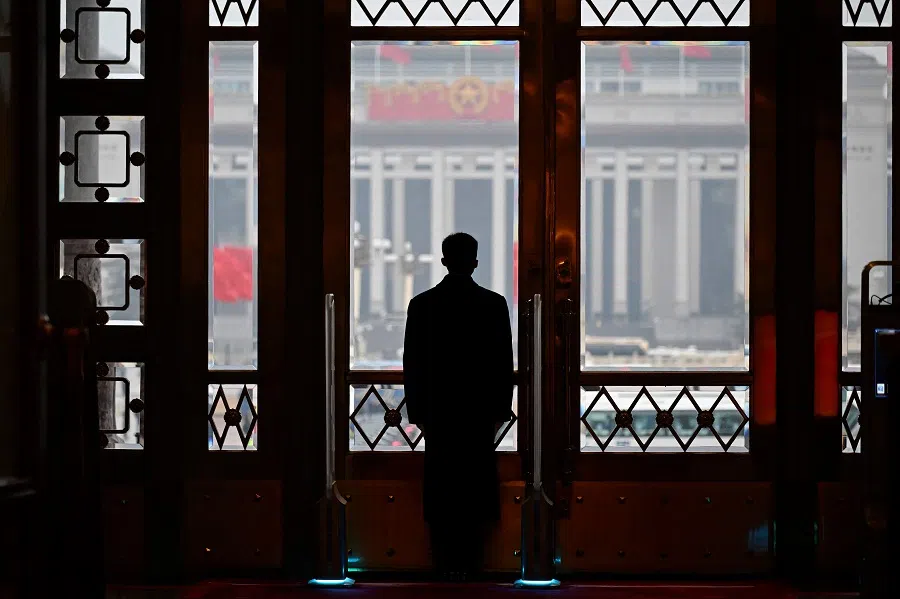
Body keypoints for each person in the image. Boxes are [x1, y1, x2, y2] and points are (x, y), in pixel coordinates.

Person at [403, 232, 514, 581]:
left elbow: (413, 362)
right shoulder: (494, 305)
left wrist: (418, 413)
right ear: (475, 262)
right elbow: (502, 364)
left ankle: (443, 563)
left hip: (439, 413)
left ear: (444, 261)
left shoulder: (422, 305)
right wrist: (499, 411)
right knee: (476, 488)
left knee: (442, 489)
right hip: (478, 413)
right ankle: (473, 563)